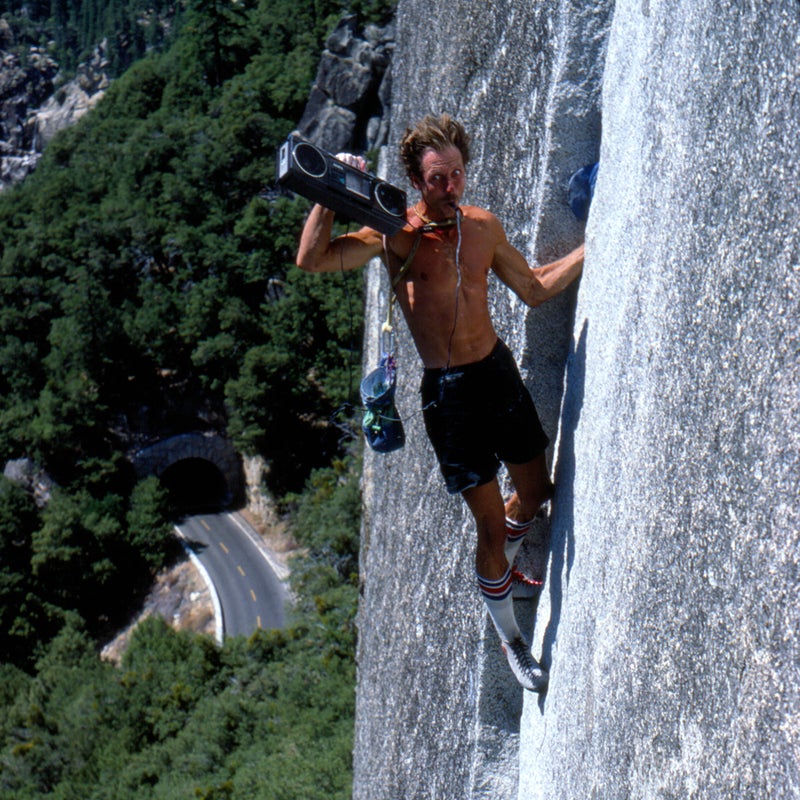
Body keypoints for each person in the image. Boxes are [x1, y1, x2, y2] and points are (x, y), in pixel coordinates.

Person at [296, 113, 584, 692]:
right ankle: (512, 640)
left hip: (496, 372)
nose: (450, 187)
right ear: (415, 179)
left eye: (456, 174)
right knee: (485, 529)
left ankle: (512, 547)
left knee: (536, 491)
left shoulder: (481, 227)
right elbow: (313, 259)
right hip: (448, 396)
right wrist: (329, 192)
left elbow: (531, 288)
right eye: (436, 179)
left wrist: (596, 246)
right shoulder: (392, 235)